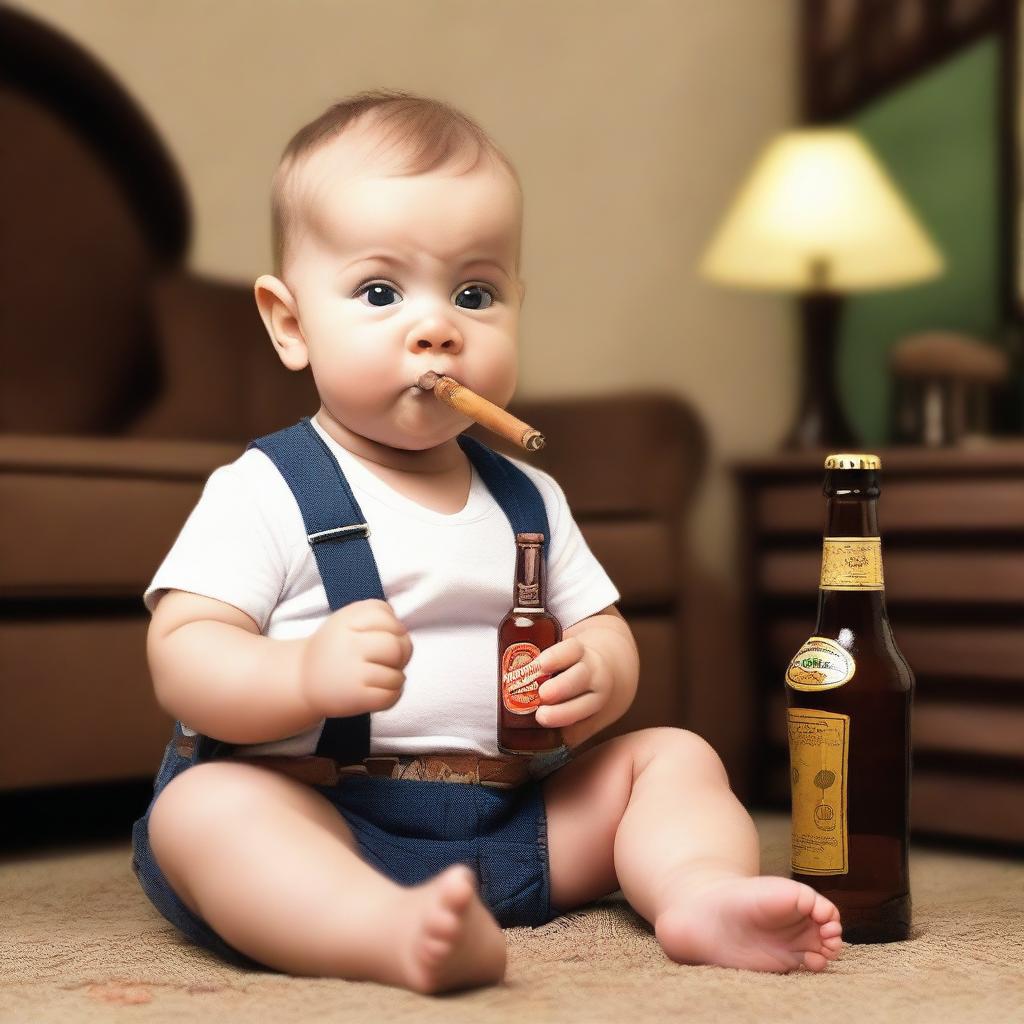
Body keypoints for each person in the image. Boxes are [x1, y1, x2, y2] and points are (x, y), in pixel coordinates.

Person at [131, 90, 843, 993]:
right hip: (323, 813)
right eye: (381, 292)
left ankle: (698, 892)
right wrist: (299, 677)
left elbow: (607, 630)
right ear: (290, 324)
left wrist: (598, 673)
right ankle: (376, 928)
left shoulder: (528, 498)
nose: (439, 328)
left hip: (514, 822)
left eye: (475, 293)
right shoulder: (263, 488)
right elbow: (182, 654)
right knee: (203, 810)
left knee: (675, 758)